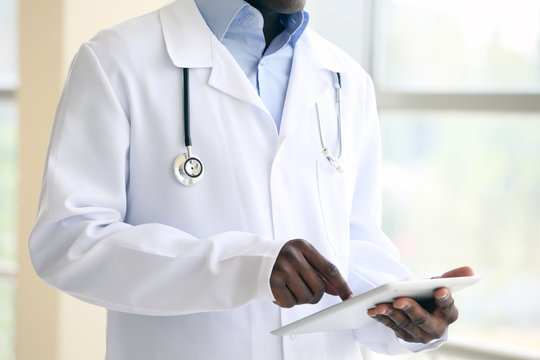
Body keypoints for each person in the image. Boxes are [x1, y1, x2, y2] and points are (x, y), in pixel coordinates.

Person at [29, 0, 474, 359]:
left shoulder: (346, 80)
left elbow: (352, 245)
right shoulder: (117, 60)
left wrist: (405, 312)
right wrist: (246, 267)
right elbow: (70, 242)